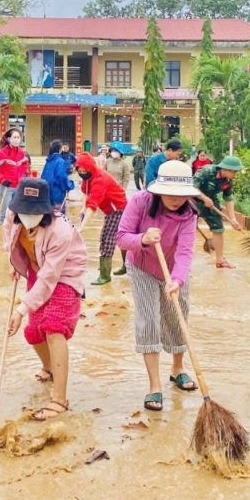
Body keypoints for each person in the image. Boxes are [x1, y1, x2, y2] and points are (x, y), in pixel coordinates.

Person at [116, 160, 200, 412]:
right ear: (159, 189)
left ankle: (177, 369)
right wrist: (142, 238)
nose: (176, 199)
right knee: (148, 320)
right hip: (141, 266)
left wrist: (177, 280)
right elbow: (121, 238)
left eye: (181, 195)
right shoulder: (140, 202)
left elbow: (185, 252)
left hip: (173, 269)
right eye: (170, 193)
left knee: (177, 315)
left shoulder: (188, 214)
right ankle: (155, 385)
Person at [4, 177, 88, 421]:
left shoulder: (60, 231)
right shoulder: (12, 215)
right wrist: (13, 261)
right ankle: (50, 367)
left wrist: (20, 309)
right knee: (33, 332)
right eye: (24, 211)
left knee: (53, 327)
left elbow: (50, 277)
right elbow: (8, 234)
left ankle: (59, 400)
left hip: (64, 273)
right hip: (35, 268)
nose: (28, 216)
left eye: (35, 212)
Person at [74, 151, 129, 285]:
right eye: (79, 170)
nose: (82, 172)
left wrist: (82, 226)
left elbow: (92, 205)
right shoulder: (88, 177)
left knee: (107, 238)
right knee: (121, 237)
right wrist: (82, 208)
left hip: (118, 209)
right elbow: (85, 193)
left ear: (90, 167)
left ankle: (105, 275)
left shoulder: (100, 179)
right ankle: (127, 266)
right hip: (111, 210)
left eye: (84, 169)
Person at [194, 155, 246, 269]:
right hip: (192, 200)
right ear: (226, 169)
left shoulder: (228, 180)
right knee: (187, 229)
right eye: (234, 172)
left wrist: (233, 219)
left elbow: (228, 199)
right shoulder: (206, 171)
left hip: (211, 200)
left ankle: (220, 260)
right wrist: (204, 198)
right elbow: (193, 188)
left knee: (218, 228)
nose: (235, 175)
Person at [0, 127, 31, 225]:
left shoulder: (22, 154)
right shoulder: (1, 153)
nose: (17, 139)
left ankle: (12, 237)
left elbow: (25, 168)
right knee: (5, 214)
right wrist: (3, 180)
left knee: (15, 214)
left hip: (18, 187)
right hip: (6, 187)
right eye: (15, 137)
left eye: (19, 137)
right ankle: (3, 237)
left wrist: (23, 178)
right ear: (9, 139)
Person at [40, 139, 74, 215]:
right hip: (57, 192)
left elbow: (43, 176)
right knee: (59, 215)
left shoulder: (48, 161)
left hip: (47, 192)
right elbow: (62, 177)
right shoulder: (60, 161)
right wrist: (69, 185)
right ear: (59, 149)